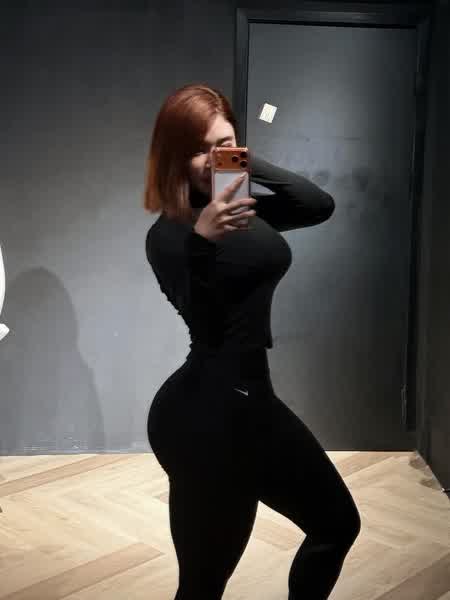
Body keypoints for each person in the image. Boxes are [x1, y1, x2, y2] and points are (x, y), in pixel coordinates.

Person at [144, 83, 361, 600]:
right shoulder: (169, 235)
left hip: (247, 401)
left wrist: (240, 160)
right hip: (205, 417)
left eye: (222, 144)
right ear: (172, 155)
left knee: (336, 526)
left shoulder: (244, 211)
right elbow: (205, 323)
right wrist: (202, 242)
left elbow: (318, 204)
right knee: (203, 584)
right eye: (198, 149)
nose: (211, 159)